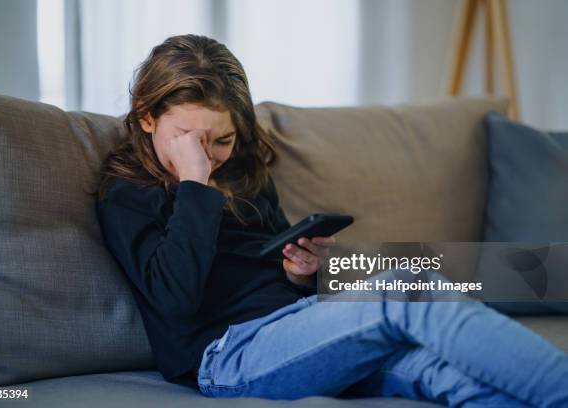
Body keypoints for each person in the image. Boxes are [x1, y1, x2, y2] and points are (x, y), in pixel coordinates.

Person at [95, 34, 568, 407]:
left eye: (222, 140)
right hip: (229, 355)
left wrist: (299, 272)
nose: (210, 156)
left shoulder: (243, 171)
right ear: (146, 117)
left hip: (303, 325)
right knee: (409, 287)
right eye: (188, 138)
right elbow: (175, 299)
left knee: (441, 371)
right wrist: (194, 186)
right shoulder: (127, 195)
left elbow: (269, 268)